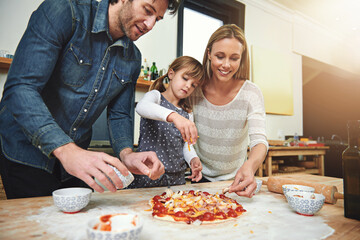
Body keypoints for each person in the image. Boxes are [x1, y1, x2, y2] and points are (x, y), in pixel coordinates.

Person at [0, 0, 182, 199]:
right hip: (25, 153)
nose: (150, 25)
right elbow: (21, 88)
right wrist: (66, 150)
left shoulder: (133, 58)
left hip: (75, 160)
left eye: (157, 19)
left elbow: (119, 114)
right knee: (35, 227)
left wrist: (126, 154)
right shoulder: (64, 12)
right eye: (147, 10)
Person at [137, 24, 269, 198]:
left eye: (234, 58)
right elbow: (185, 136)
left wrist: (250, 166)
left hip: (236, 179)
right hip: (200, 180)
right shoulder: (193, 90)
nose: (226, 65)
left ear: (242, 59)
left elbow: (259, 140)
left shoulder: (251, 93)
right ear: (209, 54)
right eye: (220, 56)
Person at [129, 56, 204, 188]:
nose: (188, 86)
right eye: (185, 78)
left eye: (193, 85)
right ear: (171, 74)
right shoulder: (156, 97)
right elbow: (141, 107)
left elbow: (186, 145)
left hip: (176, 179)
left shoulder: (188, 112)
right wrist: (174, 116)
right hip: (148, 176)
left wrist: (193, 159)